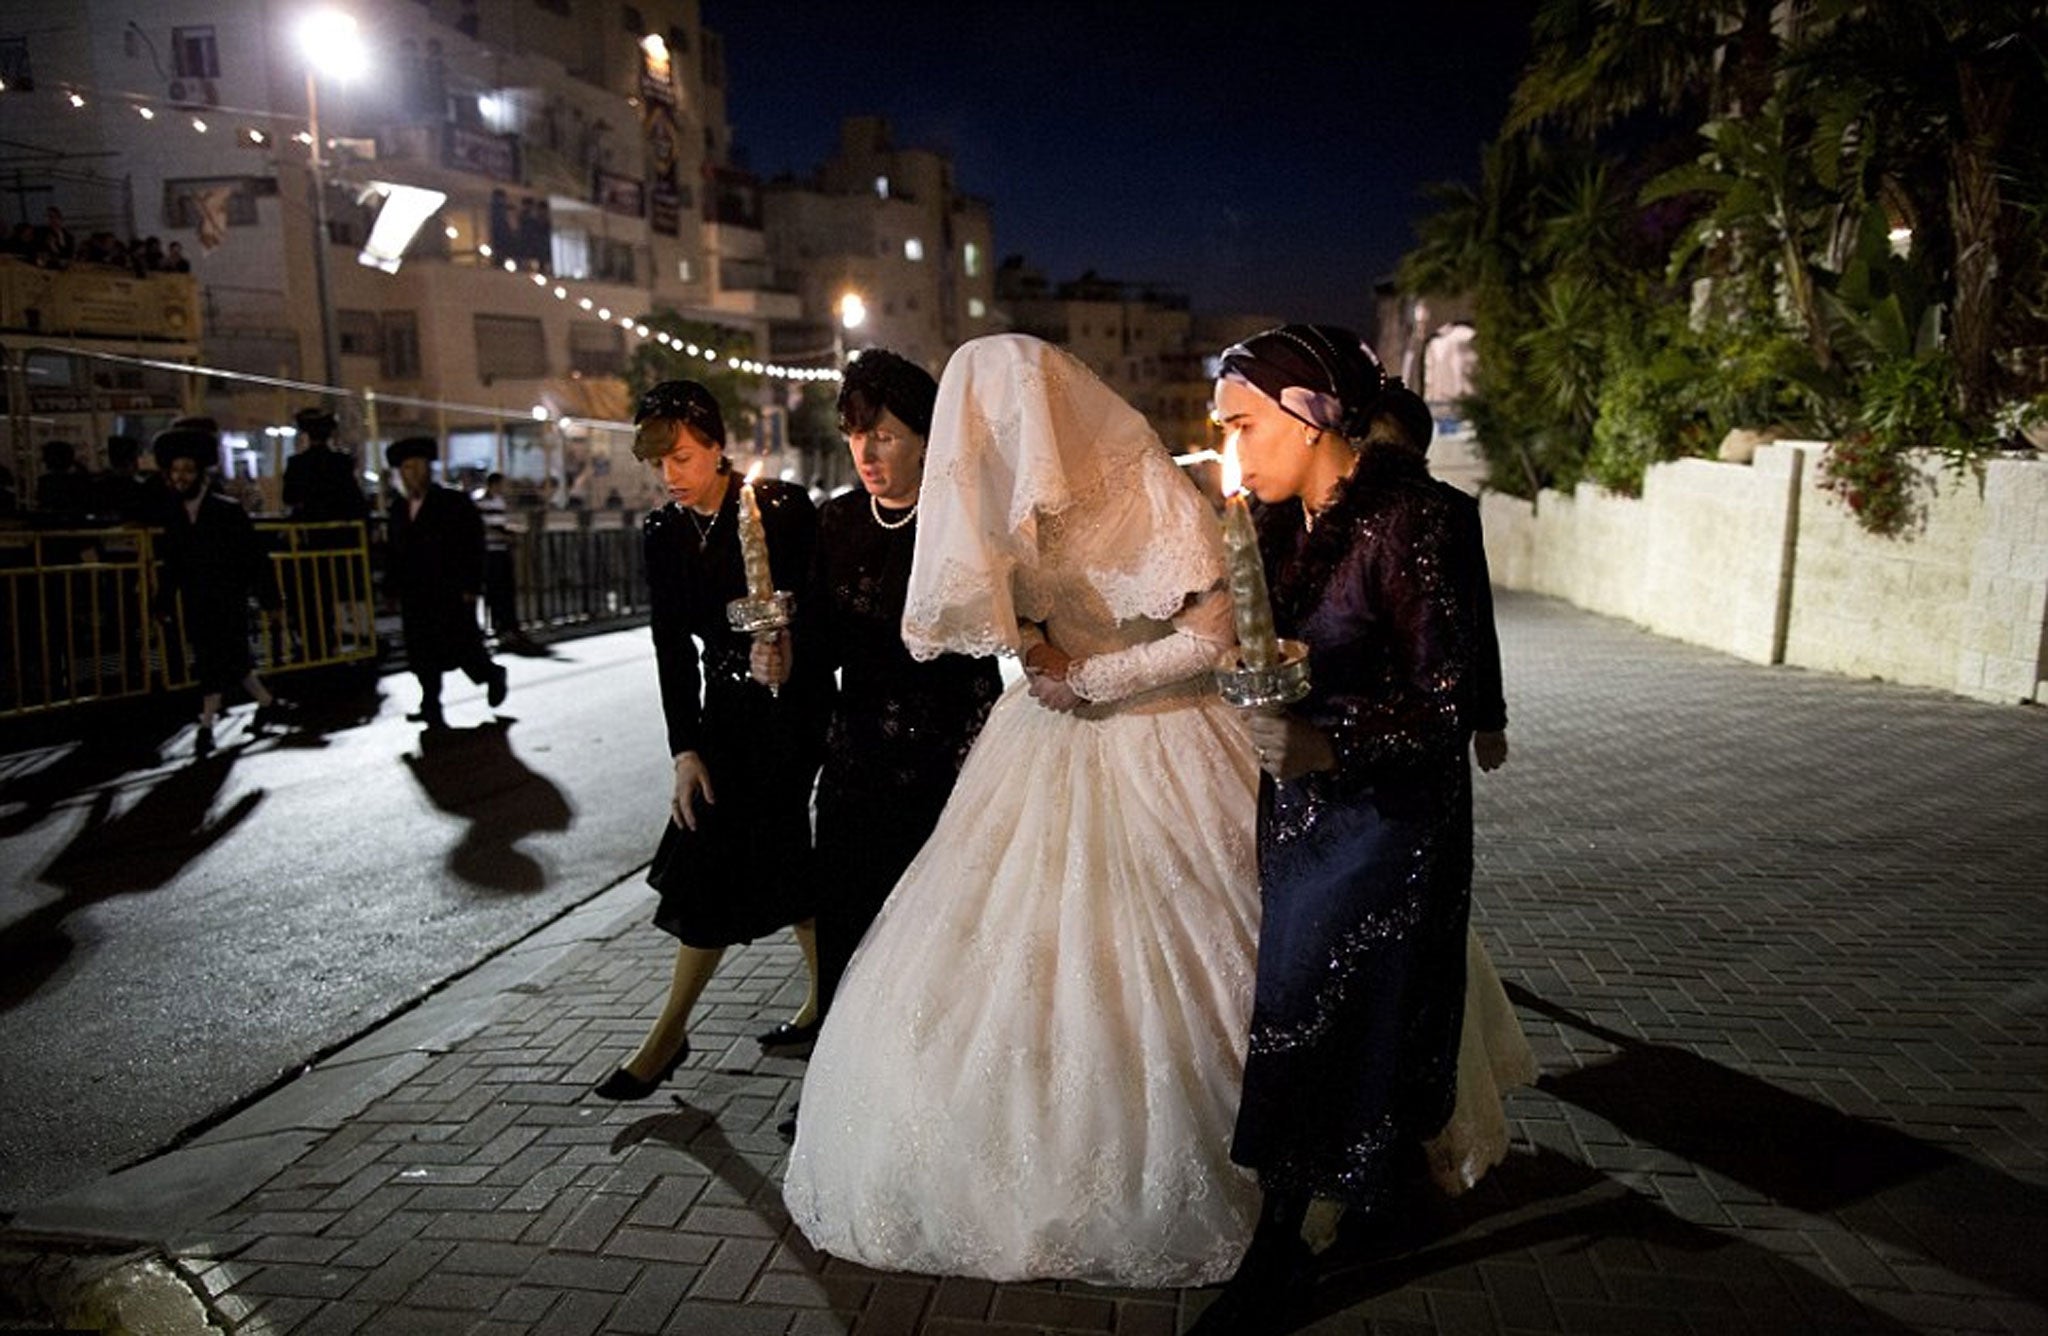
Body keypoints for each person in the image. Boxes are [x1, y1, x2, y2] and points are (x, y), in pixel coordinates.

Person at [783, 333, 1265, 1286]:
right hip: (1046, 738)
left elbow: (1219, 629)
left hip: (1163, 734)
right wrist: (1040, 647)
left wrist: (1097, 676)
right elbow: (1009, 619)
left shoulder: (1142, 480)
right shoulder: (1008, 508)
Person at [1194, 325, 1531, 1330]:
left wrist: (1326, 741)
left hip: (1383, 826)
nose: (1231, 445)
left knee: (1316, 1013)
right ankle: (1339, 1201)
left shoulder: (1411, 523)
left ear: (1309, 416)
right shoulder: (1278, 526)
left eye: (1244, 423)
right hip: (1299, 818)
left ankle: (1282, 1249)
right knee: (1301, 1010)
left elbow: (1438, 698)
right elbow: (1270, 644)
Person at [749, 350, 1002, 1050]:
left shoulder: (965, 523)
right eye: (855, 434)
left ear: (928, 437)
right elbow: (820, 644)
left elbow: (991, 643)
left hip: (945, 762)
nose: (866, 451)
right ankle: (839, 1075)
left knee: (928, 932)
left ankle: (923, 1073)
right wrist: (782, 651)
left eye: (885, 435)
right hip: (857, 758)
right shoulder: (838, 522)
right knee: (847, 922)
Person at [589, 381, 829, 1101]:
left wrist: (791, 648)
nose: (671, 475)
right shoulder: (662, 534)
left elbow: (822, 607)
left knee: (719, 853)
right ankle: (828, 1003)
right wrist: (683, 749)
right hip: (724, 715)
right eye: (659, 461)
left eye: (684, 457)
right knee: (774, 858)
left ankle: (666, 1037)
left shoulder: (780, 509)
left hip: (792, 710)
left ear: (718, 447)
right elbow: (669, 647)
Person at [1373, 381, 1509, 773]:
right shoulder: (1341, 514)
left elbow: (1477, 616)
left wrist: (1489, 721)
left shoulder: (1453, 511)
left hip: (1439, 714)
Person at [150, 423, 283, 755]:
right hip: (196, 598)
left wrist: (270, 599)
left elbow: (255, 557)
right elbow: (173, 564)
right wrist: (163, 601)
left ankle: (206, 725)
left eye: (187, 470)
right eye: (175, 470)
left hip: (228, 596)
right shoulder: (173, 514)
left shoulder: (227, 511)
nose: (180, 477)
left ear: (200, 474)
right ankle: (267, 702)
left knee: (214, 660)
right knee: (232, 658)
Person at [384, 436, 507, 729]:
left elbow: (472, 546)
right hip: (416, 593)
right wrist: (391, 587)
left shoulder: (452, 502)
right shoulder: (399, 509)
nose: (409, 474)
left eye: (414, 467)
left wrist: (471, 586)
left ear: (427, 468)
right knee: (421, 651)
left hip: (449, 590)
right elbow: (394, 551)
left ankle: (492, 675)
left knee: (463, 647)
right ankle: (430, 704)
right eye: (404, 469)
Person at [473, 472, 533, 650]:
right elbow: (482, 525)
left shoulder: (499, 501)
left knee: (507, 590)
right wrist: (504, 535)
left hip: (501, 549)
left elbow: (499, 523)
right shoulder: (479, 500)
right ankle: (497, 626)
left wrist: (510, 531)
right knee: (494, 591)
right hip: (489, 551)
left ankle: (509, 626)